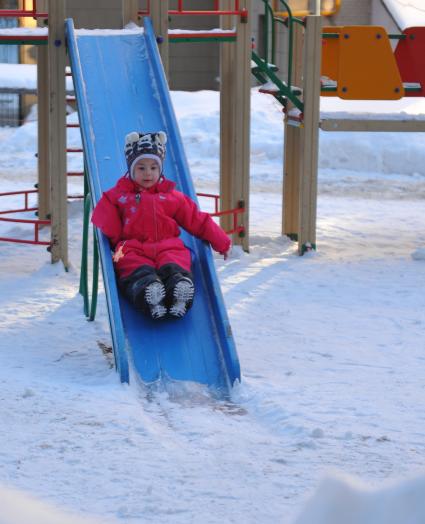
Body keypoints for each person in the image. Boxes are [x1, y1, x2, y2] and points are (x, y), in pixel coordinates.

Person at [91, 130, 231, 320]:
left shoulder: (172, 197)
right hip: (131, 247)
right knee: (130, 266)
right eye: (141, 168)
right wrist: (117, 241)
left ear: (160, 169)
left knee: (176, 264)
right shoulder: (118, 196)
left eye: (153, 167)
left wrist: (221, 241)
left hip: (167, 245)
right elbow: (105, 216)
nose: (148, 173)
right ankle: (148, 293)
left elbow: (197, 219)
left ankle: (179, 293)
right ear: (131, 170)